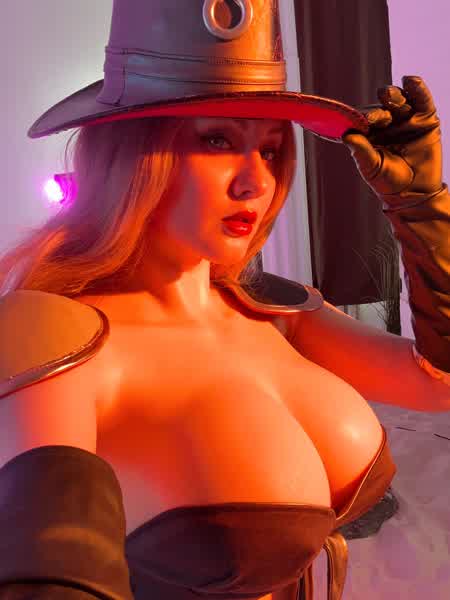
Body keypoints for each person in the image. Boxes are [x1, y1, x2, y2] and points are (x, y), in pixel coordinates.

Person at [0, 1, 448, 599]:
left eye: (270, 149)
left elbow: (439, 383)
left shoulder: (275, 310)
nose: (256, 182)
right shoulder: (56, 335)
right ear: (130, 154)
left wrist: (423, 209)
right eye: (217, 140)